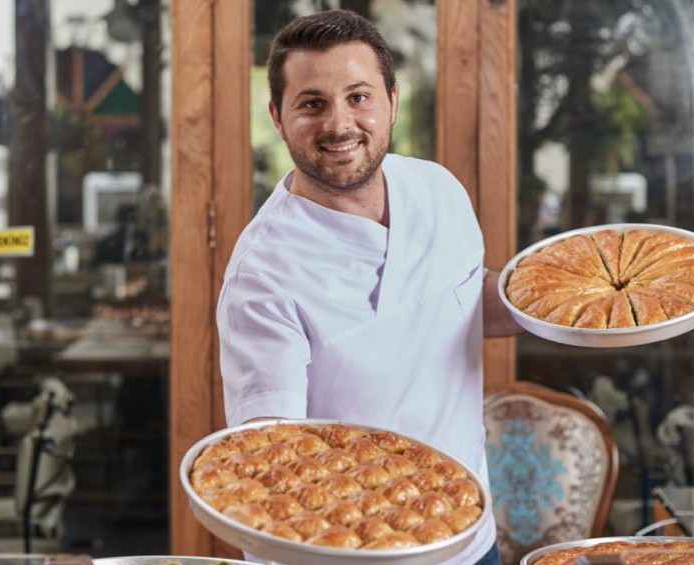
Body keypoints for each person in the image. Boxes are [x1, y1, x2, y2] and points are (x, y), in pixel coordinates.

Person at [216, 10, 523, 564]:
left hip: (469, 541)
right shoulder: (261, 275)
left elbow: (459, 300)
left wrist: (565, 305)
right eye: (312, 104)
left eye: (359, 96)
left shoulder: (438, 189)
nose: (339, 123)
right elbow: (269, 453)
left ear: (392, 102)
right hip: (344, 555)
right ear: (277, 118)